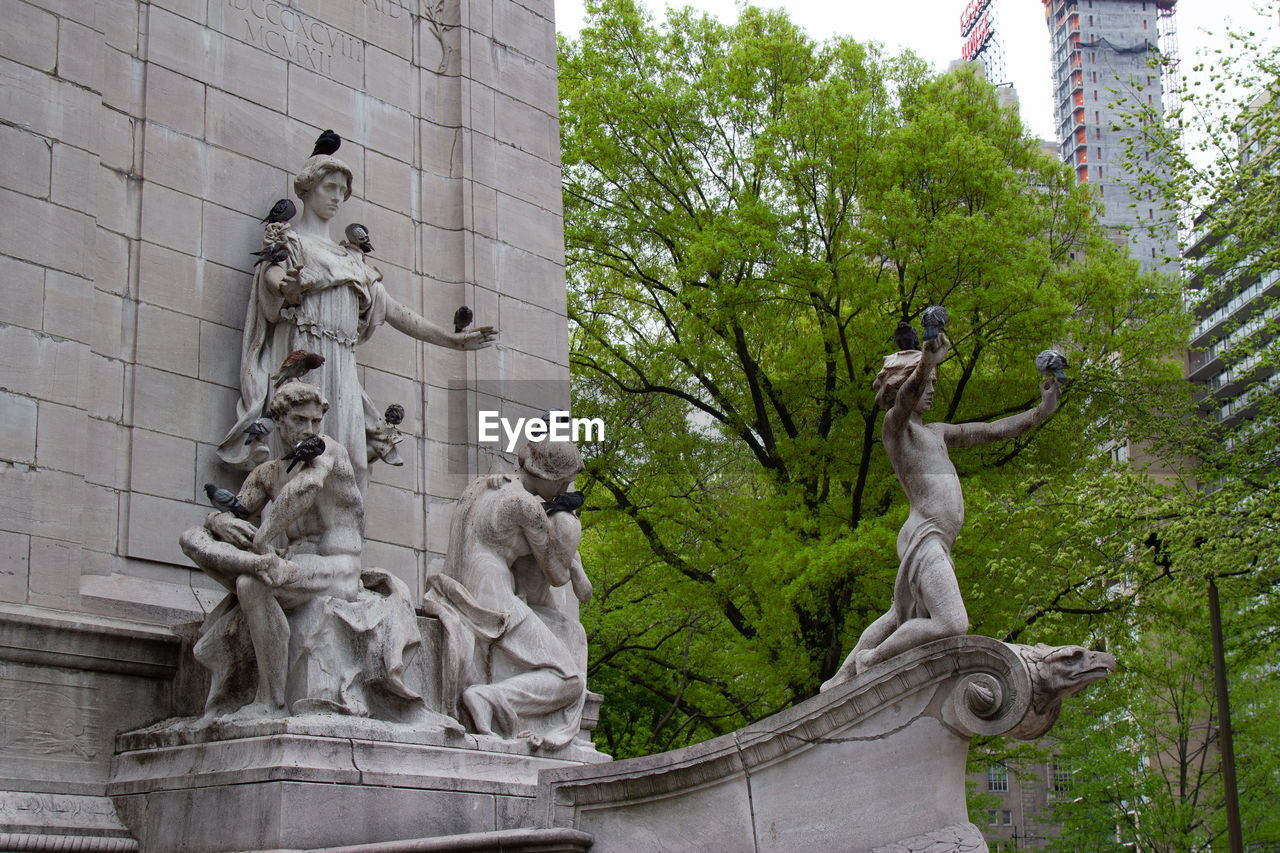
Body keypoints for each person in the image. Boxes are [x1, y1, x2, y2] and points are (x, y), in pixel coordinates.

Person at [217, 147, 498, 495]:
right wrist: (284, 287)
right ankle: (288, 544)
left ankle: (343, 544)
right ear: (306, 189)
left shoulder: (352, 259)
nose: (337, 197)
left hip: (343, 365)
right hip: (303, 356)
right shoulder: (291, 241)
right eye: (329, 187)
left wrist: (451, 339)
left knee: (352, 463)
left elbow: (395, 311)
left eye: (342, 191)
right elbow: (272, 274)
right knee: (301, 461)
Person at [821, 333, 1060, 691]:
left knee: (897, 614)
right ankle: (870, 660)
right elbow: (905, 401)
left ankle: (841, 677)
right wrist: (926, 362)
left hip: (937, 540)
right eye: (927, 382)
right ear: (906, 384)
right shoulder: (895, 428)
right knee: (952, 622)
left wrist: (1041, 412)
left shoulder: (937, 433)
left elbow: (993, 430)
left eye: (934, 382)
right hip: (926, 533)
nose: (932, 389)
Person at [184, 382, 368, 716]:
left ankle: (270, 700)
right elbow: (236, 512)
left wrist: (260, 541)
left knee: (255, 580)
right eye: (300, 420)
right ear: (279, 422)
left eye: (315, 421)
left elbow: (305, 489)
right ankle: (252, 566)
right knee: (195, 540)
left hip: (337, 565)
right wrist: (217, 521)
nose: (310, 430)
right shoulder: (267, 474)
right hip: (296, 565)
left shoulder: (326, 451)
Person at [423, 439, 593, 750]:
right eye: (564, 482)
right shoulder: (527, 507)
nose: (566, 490)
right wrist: (574, 554)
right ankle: (489, 697)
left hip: (457, 584)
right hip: (489, 598)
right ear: (549, 476)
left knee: (560, 632)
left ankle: (491, 696)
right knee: (569, 680)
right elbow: (556, 574)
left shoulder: (486, 484)